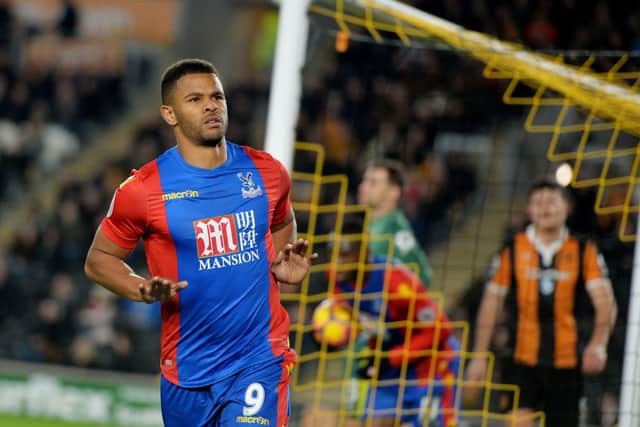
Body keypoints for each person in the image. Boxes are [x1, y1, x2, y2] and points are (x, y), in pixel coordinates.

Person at [84, 58, 317, 427]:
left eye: (217, 96)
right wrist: (141, 288)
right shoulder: (143, 190)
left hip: (259, 357)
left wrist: (280, 267)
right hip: (186, 369)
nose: (211, 105)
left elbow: (283, 220)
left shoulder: (266, 172)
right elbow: (99, 259)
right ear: (169, 114)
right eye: (195, 99)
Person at [466, 180, 617, 427]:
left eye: (551, 202)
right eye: (538, 203)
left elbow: (605, 302)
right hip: (520, 360)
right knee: (518, 421)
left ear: (566, 207)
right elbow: (491, 303)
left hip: (567, 363)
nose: (544, 209)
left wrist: (598, 345)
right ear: (529, 209)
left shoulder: (583, 250)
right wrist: (480, 355)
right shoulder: (513, 248)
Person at [330, 218, 460, 427]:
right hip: (389, 367)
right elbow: (351, 322)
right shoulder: (337, 279)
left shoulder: (395, 281)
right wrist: (327, 339)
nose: (336, 262)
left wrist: (390, 358)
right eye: (334, 254)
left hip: (430, 365)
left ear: (364, 253)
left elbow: (441, 330)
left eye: (344, 255)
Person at [358, 159, 432, 287]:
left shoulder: (395, 229)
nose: (363, 187)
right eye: (364, 180)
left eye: (373, 182)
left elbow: (423, 277)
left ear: (394, 192)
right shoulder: (372, 226)